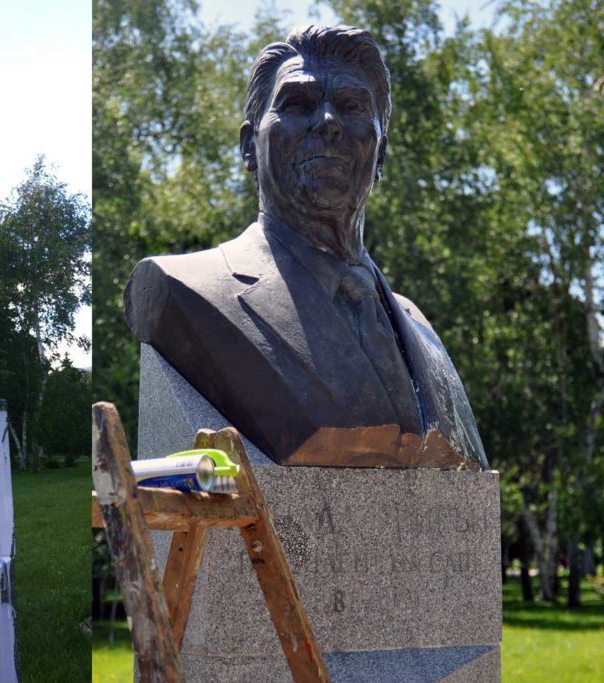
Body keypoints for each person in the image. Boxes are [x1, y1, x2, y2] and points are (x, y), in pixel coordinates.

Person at [124, 25, 486, 469]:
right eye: (297, 103)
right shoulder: (184, 290)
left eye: (352, 106)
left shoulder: (420, 331)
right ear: (248, 148)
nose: (329, 122)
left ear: (381, 155)